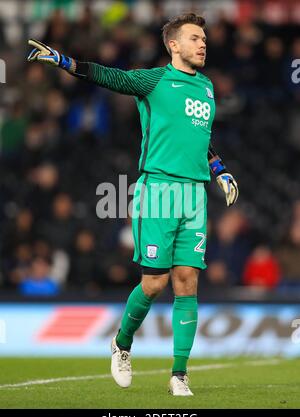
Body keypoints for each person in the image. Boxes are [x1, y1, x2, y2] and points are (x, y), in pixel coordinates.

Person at [27, 12, 238, 396]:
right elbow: (111, 77)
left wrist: (220, 170)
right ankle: (122, 344)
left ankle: (179, 374)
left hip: (194, 194)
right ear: (173, 44)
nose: (202, 43)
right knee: (155, 283)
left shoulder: (207, 87)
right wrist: (64, 61)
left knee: (187, 281)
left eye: (204, 38)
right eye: (194, 38)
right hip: (158, 190)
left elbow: (197, 139)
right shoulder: (154, 80)